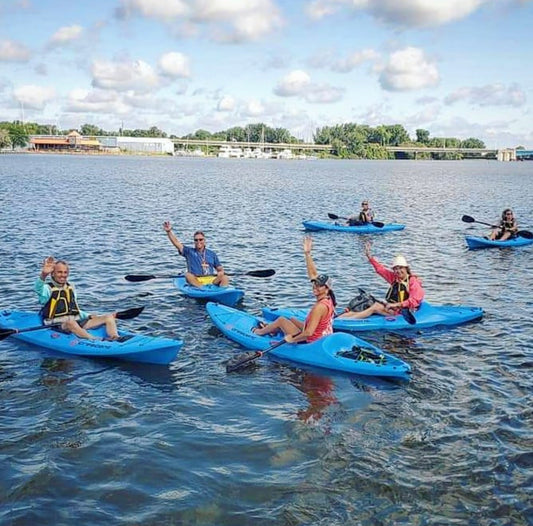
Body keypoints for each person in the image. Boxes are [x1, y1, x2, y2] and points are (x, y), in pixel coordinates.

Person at [252, 236, 336, 343]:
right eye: (315, 284)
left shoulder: (320, 307)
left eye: (319, 285)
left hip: (310, 341)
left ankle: (259, 332)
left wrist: (292, 339)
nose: (315, 287)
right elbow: (313, 274)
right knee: (292, 319)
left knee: (282, 320)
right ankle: (272, 329)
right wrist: (307, 254)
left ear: (327, 288)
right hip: (322, 336)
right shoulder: (330, 299)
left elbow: (308, 333)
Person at [35, 256, 120, 340]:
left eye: (65, 272)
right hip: (58, 324)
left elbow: (75, 309)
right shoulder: (47, 289)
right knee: (70, 323)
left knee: (108, 317)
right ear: (53, 273)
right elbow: (38, 289)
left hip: (76, 321)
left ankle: (115, 337)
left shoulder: (70, 287)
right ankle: (94, 340)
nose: (63, 275)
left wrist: (89, 316)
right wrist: (44, 275)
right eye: (59, 272)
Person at [339, 241, 424, 319]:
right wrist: (369, 257)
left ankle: (349, 320)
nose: (398, 271)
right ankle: (338, 319)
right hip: (392, 308)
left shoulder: (413, 281)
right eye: (396, 269)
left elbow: (415, 300)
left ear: (406, 268)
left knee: (375, 307)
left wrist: (396, 305)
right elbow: (380, 270)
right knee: (367, 303)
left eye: (401, 268)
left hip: (403, 312)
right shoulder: (395, 278)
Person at [163, 221, 229, 288]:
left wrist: (220, 273)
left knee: (225, 277)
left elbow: (220, 269)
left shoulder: (212, 254)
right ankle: (203, 289)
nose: (198, 242)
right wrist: (169, 232)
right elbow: (176, 243)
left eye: (201, 239)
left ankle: (223, 291)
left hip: (211, 280)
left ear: (204, 240)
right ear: (194, 241)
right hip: (196, 280)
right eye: (196, 240)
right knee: (188, 275)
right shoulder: (189, 252)